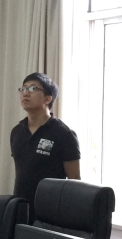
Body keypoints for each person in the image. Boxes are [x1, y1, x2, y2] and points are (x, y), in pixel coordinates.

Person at [11, 72, 80, 222]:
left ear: (48, 98)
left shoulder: (64, 134)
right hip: (20, 210)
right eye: (23, 89)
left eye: (33, 89)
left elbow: (75, 182)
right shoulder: (17, 132)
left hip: (50, 214)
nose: (25, 93)